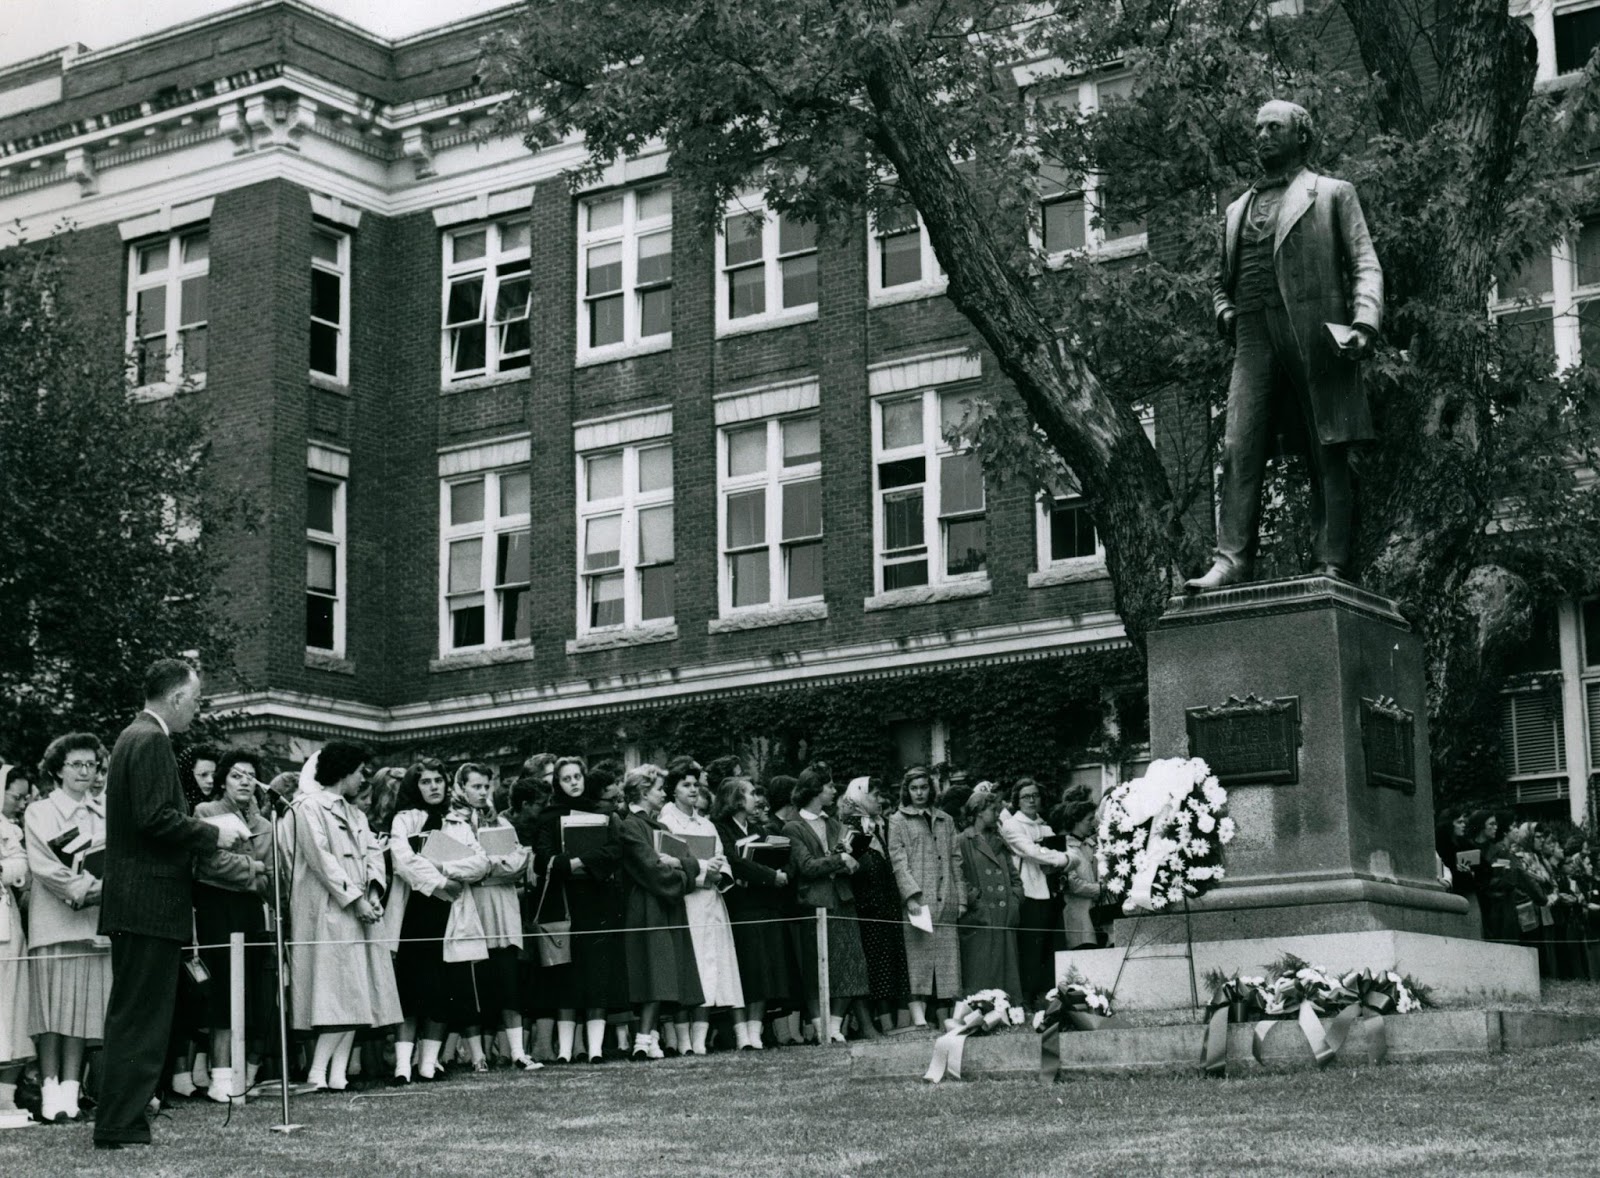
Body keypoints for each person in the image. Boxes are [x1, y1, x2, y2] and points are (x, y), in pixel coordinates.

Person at [1188, 99, 1384, 591]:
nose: (1262, 136)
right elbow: (1219, 281)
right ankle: (1231, 559)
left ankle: (1330, 560)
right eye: (1257, 129)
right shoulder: (1236, 210)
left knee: (1327, 446)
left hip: (1314, 332)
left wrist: (1364, 321)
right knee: (1237, 445)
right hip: (1254, 335)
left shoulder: (1333, 193)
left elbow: (1365, 261)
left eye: (1273, 127)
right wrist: (1223, 311)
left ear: (1301, 136)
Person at [94, 660, 238, 1150]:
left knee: (134, 1014)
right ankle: (121, 1124)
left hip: (138, 901)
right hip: (148, 902)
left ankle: (122, 1119)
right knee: (142, 1017)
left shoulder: (133, 737)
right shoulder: (150, 740)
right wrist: (214, 832)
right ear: (176, 697)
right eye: (195, 701)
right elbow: (156, 818)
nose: (196, 711)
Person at [288, 740, 401, 1091]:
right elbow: (322, 861)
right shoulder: (306, 807)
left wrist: (372, 892)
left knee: (358, 992)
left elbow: (373, 855)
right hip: (328, 912)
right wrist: (356, 900)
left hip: (358, 912)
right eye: (358, 772)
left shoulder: (356, 814)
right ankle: (317, 1072)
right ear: (343, 772)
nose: (362, 779)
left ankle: (336, 1074)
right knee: (337, 994)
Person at [25, 733, 111, 1127]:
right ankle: (49, 1092)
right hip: (52, 921)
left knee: (81, 1012)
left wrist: (103, 889)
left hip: (91, 923)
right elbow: (43, 865)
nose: (84, 771)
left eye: (91, 764)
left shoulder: (104, 811)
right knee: (50, 1014)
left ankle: (71, 1094)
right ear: (58, 768)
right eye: (76, 764)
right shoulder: (39, 811)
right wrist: (83, 889)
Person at [384, 759, 486, 1083]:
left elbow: (480, 863)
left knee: (441, 991)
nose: (433, 787)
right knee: (410, 991)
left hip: (449, 915)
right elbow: (403, 861)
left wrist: (446, 870)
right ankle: (402, 1066)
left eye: (438, 781)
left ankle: (428, 1063)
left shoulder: (458, 822)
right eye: (425, 781)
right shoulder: (404, 819)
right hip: (414, 913)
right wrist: (439, 882)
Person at [190, 748, 275, 1103]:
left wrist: (247, 872)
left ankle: (239, 1074)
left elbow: (269, 875)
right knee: (223, 989)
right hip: (216, 910)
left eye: (250, 776)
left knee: (251, 990)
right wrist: (251, 869)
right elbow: (208, 865)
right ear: (222, 780)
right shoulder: (205, 813)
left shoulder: (264, 824)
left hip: (250, 911)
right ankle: (219, 1075)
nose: (244, 782)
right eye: (237, 775)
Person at [531, 756, 628, 1063]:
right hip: (564, 903)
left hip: (598, 901)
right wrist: (568, 864)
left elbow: (614, 851)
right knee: (566, 975)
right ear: (557, 784)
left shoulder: (603, 812)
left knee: (597, 973)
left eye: (577, 777)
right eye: (566, 778)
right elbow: (541, 857)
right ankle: (564, 1051)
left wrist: (583, 862)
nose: (573, 783)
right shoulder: (548, 817)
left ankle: (596, 1049)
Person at [448, 763, 535, 1071]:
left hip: (502, 911)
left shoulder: (502, 823)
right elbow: (455, 866)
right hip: (472, 911)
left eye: (486, 786)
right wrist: (491, 866)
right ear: (462, 787)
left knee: (509, 983)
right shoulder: (453, 824)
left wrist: (486, 867)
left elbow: (517, 864)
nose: (483, 792)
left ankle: (517, 1052)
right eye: (476, 786)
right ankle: (477, 1056)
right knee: (473, 986)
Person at [615, 765, 702, 1060]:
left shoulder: (662, 828)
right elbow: (650, 868)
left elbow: (690, 862)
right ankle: (644, 1039)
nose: (664, 794)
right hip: (647, 907)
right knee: (652, 972)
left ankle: (649, 1038)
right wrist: (680, 870)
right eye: (659, 789)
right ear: (643, 792)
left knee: (664, 973)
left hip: (666, 906)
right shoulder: (630, 825)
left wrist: (678, 866)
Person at [658, 757, 742, 1054]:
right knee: (688, 969)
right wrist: (703, 870)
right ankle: (683, 1041)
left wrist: (716, 872)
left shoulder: (706, 823)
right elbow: (668, 863)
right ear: (673, 789)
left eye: (696, 784)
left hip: (710, 902)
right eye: (685, 785)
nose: (693, 790)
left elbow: (722, 859)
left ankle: (699, 1039)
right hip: (684, 903)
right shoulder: (665, 822)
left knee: (711, 967)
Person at [783, 766, 869, 1044]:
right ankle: (821, 1027)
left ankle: (834, 1025)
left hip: (842, 901)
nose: (834, 791)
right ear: (815, 790)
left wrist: (847, 863)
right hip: (815, 904)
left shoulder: (834, 823)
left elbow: (848, 855)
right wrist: (839, 861)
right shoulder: (792, 826)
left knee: (849, 965)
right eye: (829, 786)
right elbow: (806, 866)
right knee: (815, 968)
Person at [711, 776, 795, 1051]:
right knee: (745, 969)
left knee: (764, 969)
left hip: (763, 905)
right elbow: (733, 862)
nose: (755, 799)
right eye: (749, 793)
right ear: (734, 799)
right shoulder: (720, 829)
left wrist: (778, 873)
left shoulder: (758, 829)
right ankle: (740, 1031)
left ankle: (755, 1029)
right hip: (739, 907)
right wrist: (771, 876)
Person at [887, 766, 963, 1027]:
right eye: (914, 788)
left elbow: (956, 860)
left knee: (947, 964)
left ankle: (946, 1020)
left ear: (931, 789)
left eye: (923, 787)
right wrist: (910, 896)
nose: (919, 793)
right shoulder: (898, 820)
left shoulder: (945, 819)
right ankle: (918, 1018)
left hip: (946, 898)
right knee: (917, 960)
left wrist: (960, 897)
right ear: (907, 791)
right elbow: (898, 861)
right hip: (918, 898)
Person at [837, 777, 910, 1036]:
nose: (880, 800)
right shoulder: (849, 825)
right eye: (875, 795)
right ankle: (879, 1024)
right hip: (866, 905)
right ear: (859, 796)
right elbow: (843, 861)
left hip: (885, 903)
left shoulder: (877, 824)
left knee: (890, 960)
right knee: (875, 964)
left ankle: (894, 1023)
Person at [999, 778, 1069, 1007]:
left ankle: (1050, 998)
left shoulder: (1045, 826)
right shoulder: (1012, 826)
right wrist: (1063, 859)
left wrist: (1062, 860)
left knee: (1052, 948)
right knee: (1030, 950)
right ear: (1016, 801)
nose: (1031, 800)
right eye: (1026, 796)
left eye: (1035, 795)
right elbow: (1032, 853)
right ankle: (1027, 1001)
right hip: (1028, 894)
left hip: (1051, 894)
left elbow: (1068, 857)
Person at [956, 790, 1023, 1001]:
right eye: (993, 810)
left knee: (1006, 967)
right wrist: (976, 901)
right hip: (981, 917)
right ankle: (980, 1009)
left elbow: (1015, 878)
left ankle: (1008, 1009)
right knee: (981, 967)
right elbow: (958, 876)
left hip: (1003, 915)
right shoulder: (962, 840)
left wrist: (1014, 900)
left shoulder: (998, 840)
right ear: (978, 812)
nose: (997, 815)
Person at [0, 765, 35, 1115]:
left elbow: (19, 868)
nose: (22, 803)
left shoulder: (9, 830)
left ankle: (5, 1094)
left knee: (11, 1001)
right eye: (16, 796)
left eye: (26, 796)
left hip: (5, 927)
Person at [1056, 800, 1103, 951]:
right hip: (1077, 915)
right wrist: (1100, 889)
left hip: (1096, 913)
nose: (1092, 823)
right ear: (1076, 821)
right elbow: (1071, 883)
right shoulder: (1066, 848)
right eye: (1089, 819)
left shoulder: (1091, 845)